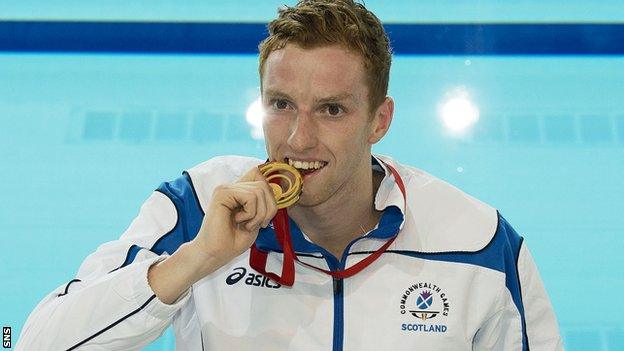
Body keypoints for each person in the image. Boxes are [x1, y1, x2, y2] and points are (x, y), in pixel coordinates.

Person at [17, 1, 563, 350]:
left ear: (380, 119)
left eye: (331, 110)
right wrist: (198, 258)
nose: (298, 140)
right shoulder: (196, 207)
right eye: (281, 104)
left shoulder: (478, 244)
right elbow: (31, 342)